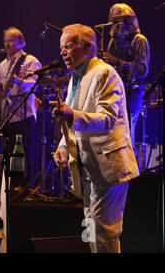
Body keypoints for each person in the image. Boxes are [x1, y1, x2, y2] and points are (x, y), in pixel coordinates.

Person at [53, 24, 139, 253]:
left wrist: (71, 115)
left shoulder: (104, 73)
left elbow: (108, 119)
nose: (62, 52)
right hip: (89, 167)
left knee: (104, 233)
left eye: (68, 47)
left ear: (88, 47)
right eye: (61, 47)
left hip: (108, 167)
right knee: (91, 229)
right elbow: (72, 116)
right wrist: (63, 145)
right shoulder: (75, 78)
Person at [0, 27, 42, 183]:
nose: (7, 44)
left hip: (24, 115)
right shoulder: (2, 65)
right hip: (7, 116)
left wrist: (19, 81)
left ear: (22, 42)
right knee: (8, 153)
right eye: (5, 40)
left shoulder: (30, 61)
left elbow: (35, 85)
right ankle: (11, 187)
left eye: (11, 40)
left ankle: (26, 187)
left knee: (24, 152)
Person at [102, 3, 150, 160]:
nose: (116, 24)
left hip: (133, 94)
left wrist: (117, 61)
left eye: (120, 19)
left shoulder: (139, 40)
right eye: (114, 20)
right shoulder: (113, 41)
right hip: (114, 93)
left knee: (128, 135)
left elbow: (142, 70)